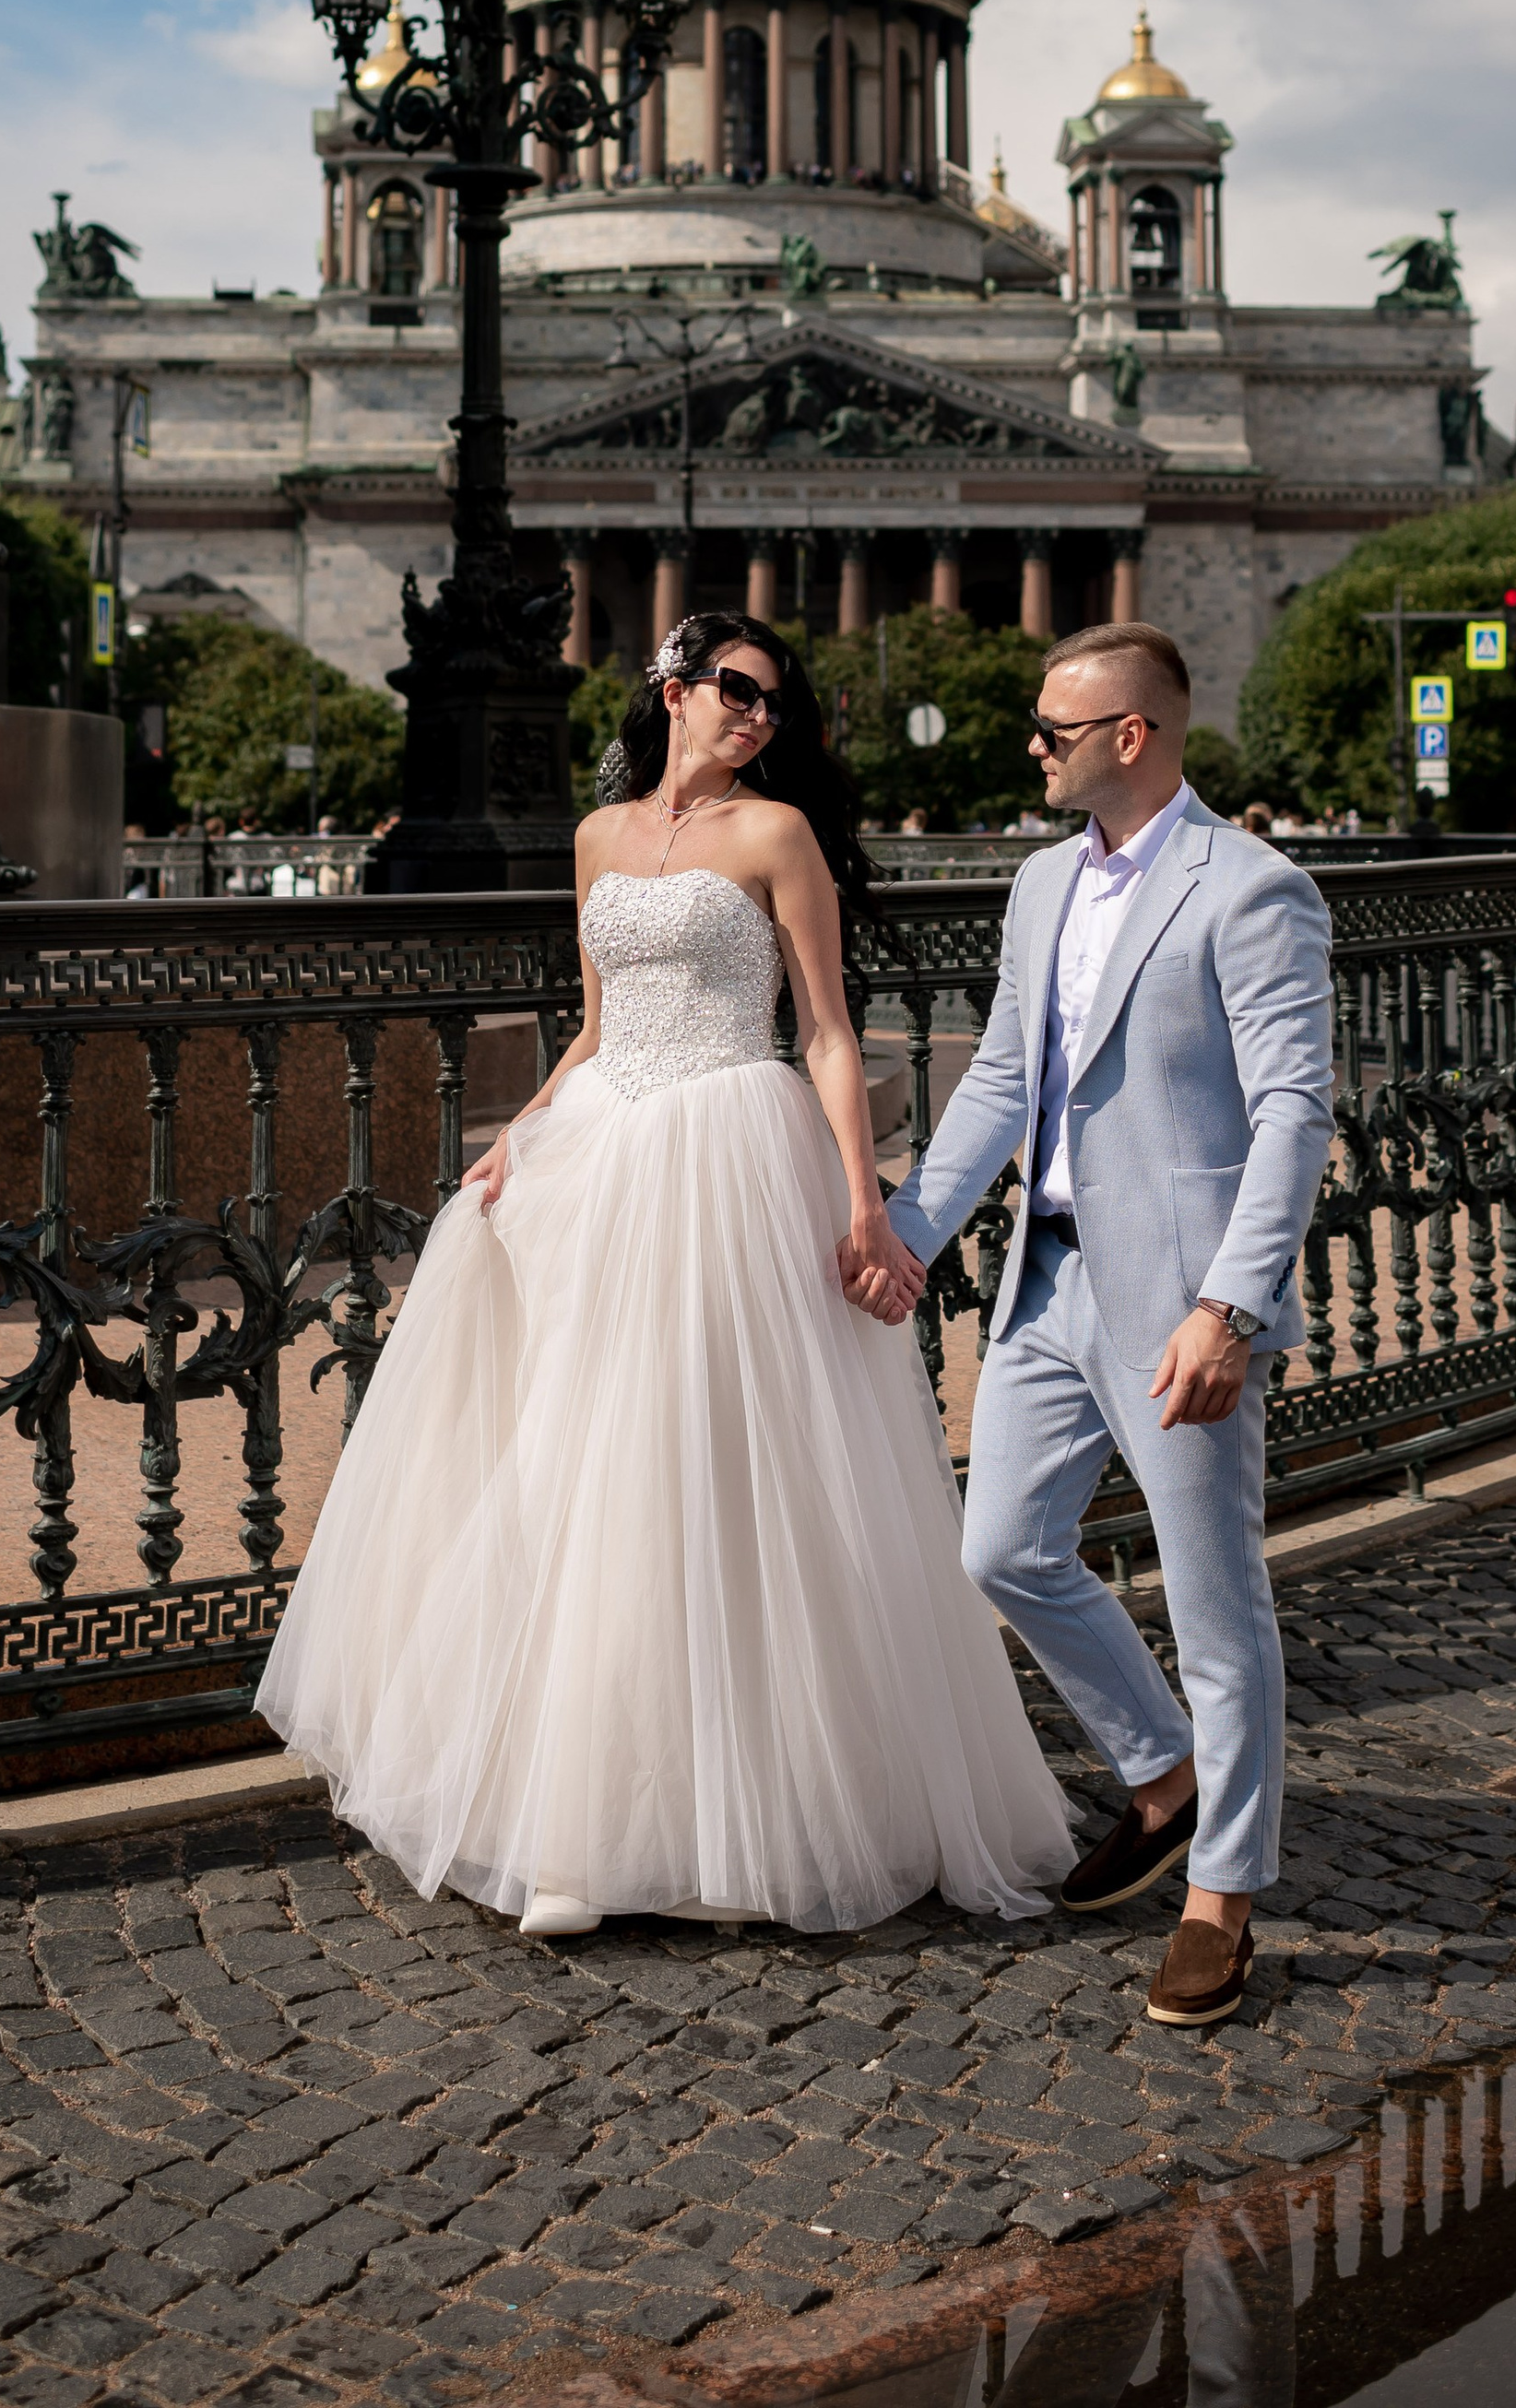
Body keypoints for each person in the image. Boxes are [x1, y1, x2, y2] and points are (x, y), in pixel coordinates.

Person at [257, 610, 1075, 1938]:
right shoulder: (598, 838)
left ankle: (765, 1806)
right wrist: (520, 1135)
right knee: (581, 1466)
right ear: (676, 690)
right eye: (742, 693)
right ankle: (574, 1825)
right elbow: (593, 1027)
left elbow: (820, 1028)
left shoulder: (777, 835)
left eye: (778, 704)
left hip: (729, 1155)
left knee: (719, 1464)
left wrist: (866, 1203)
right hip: (602, 1151)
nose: (761, 719)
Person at [882, 623, 1332, 2032]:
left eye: (1051, 732)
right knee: (1005, 1545)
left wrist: (1232, 1304)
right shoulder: (1037, 887)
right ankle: (1163, 1775)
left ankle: (1221, 1896)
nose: (1033, 749)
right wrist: (903, 1238)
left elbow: (1292, 1115)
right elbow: (1004, 1080)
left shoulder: (1254, 889)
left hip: (1181, 1300)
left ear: (1130, 736)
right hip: (1047, 1279)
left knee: (1215, 1599)